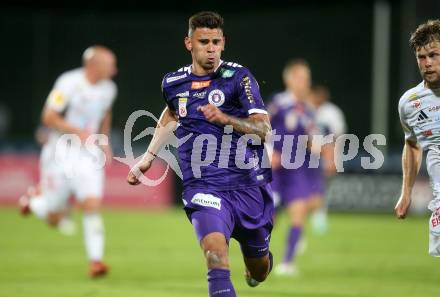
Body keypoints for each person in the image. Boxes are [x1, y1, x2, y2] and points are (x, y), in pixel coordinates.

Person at [127, 11, 274, 297]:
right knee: (215, 255)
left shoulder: (238, 77)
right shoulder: (173, 82)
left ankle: (258, 265)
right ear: (189, 43)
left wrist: (227, 119)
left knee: (259, 268)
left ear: (223, 42)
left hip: (248, 186)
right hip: (203, 186)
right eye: (203, 41)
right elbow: (172, 113)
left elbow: (264, 129)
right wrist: (148, 157)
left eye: (216, 42)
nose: (211, 48)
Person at [19, 45, 117, 277]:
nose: (114, 70)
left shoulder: (109, 89)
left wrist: (104, 141)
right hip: (60, 151)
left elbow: (105, 113)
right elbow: (48, 116)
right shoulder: (68, 82)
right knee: (54, 217)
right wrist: (77, 131)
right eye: (110, 64)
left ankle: (96, 261)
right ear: (94, 65)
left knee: (91, 204)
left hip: (87, 154)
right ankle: (34, 202)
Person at [269, 59, 319, 276]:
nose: (304, 83)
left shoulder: (308, 109)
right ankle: (258, 256)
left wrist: (317, 146)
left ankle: (288, 263)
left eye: (306, 79)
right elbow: (260, 127)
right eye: (300, 78)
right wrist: (269, 152)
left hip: (296, 168)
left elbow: (310, 136)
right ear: (288, 79)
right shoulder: (278, 103)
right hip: (274, 169)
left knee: (299, 212)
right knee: (270, 218)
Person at [396, 19, 440, 256]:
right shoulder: (410, 103)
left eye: (433, 55)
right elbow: (412, 145)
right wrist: (406, 192)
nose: (428, 63)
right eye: (422, 58)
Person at [307, 85, 346, 234]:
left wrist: (334, 158)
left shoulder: (332, 112)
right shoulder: (304, 108)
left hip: (325, 153)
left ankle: (319, 216)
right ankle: (311, 217)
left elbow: (338, 137)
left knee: (321, 187)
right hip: (305, 154)